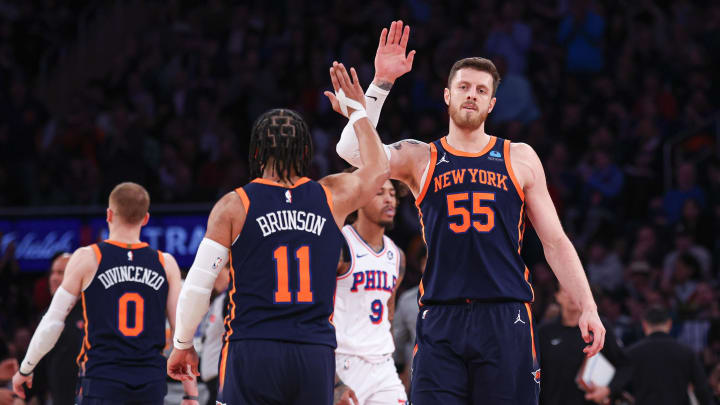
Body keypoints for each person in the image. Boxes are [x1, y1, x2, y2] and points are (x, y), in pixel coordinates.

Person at [335, 20, 605, 404]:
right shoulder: (420, 156)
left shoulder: (519, 157)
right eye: (463, 87)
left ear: (492, 103)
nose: (471, 95)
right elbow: (353, 154)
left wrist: (587, 305)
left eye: (481, 90)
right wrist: (380, 84)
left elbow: (555, 241)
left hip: (505, 315)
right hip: (442, 317)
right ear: (447, 95)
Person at [166, 62, 390, 405]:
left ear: (256, 152)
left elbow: (198, 284)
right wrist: (358, 111)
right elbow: (377, 168)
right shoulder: (332, 195)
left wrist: (183, 345)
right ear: (306, 152)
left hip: (252, 348)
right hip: (313, 353)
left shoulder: (234, 205)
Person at [12, 182, 198, 404]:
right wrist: (190, 393)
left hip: (103, 380)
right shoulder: (165, 263)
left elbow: (53, 321)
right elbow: (181, 331)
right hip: (150, 384)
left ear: (109, 214)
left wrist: (26, 368)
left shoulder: (88, 258)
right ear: (145, 218)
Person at [334, 176, 407, 404]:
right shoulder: (339, 245)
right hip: (344, 363)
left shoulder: (396, 255)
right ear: (360, 199)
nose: (389, 200)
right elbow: (316, 313)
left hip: (383, 366)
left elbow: (389, 313)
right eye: (380, 193)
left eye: (392, 194)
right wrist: (334, 381)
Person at [537, 285, 631, 404]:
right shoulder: (544, 332)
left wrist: (607, 390)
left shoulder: (599, 326)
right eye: (566, 291)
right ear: (557, 296)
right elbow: (534, 372)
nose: (572, 295)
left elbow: (625, 365)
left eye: (576, 290)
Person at [623, 306, 713, 405]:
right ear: (670, 324)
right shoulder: (686, 352)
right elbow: (702, 388)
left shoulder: (632, 353)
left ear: (644, 325)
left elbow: (621, 385)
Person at [26, 252, 84, 405]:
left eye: (61, 273)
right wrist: (24, 396)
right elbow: (38, 367)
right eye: (52, 272)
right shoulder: (45, 317)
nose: (54, 278)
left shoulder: (94, 313)